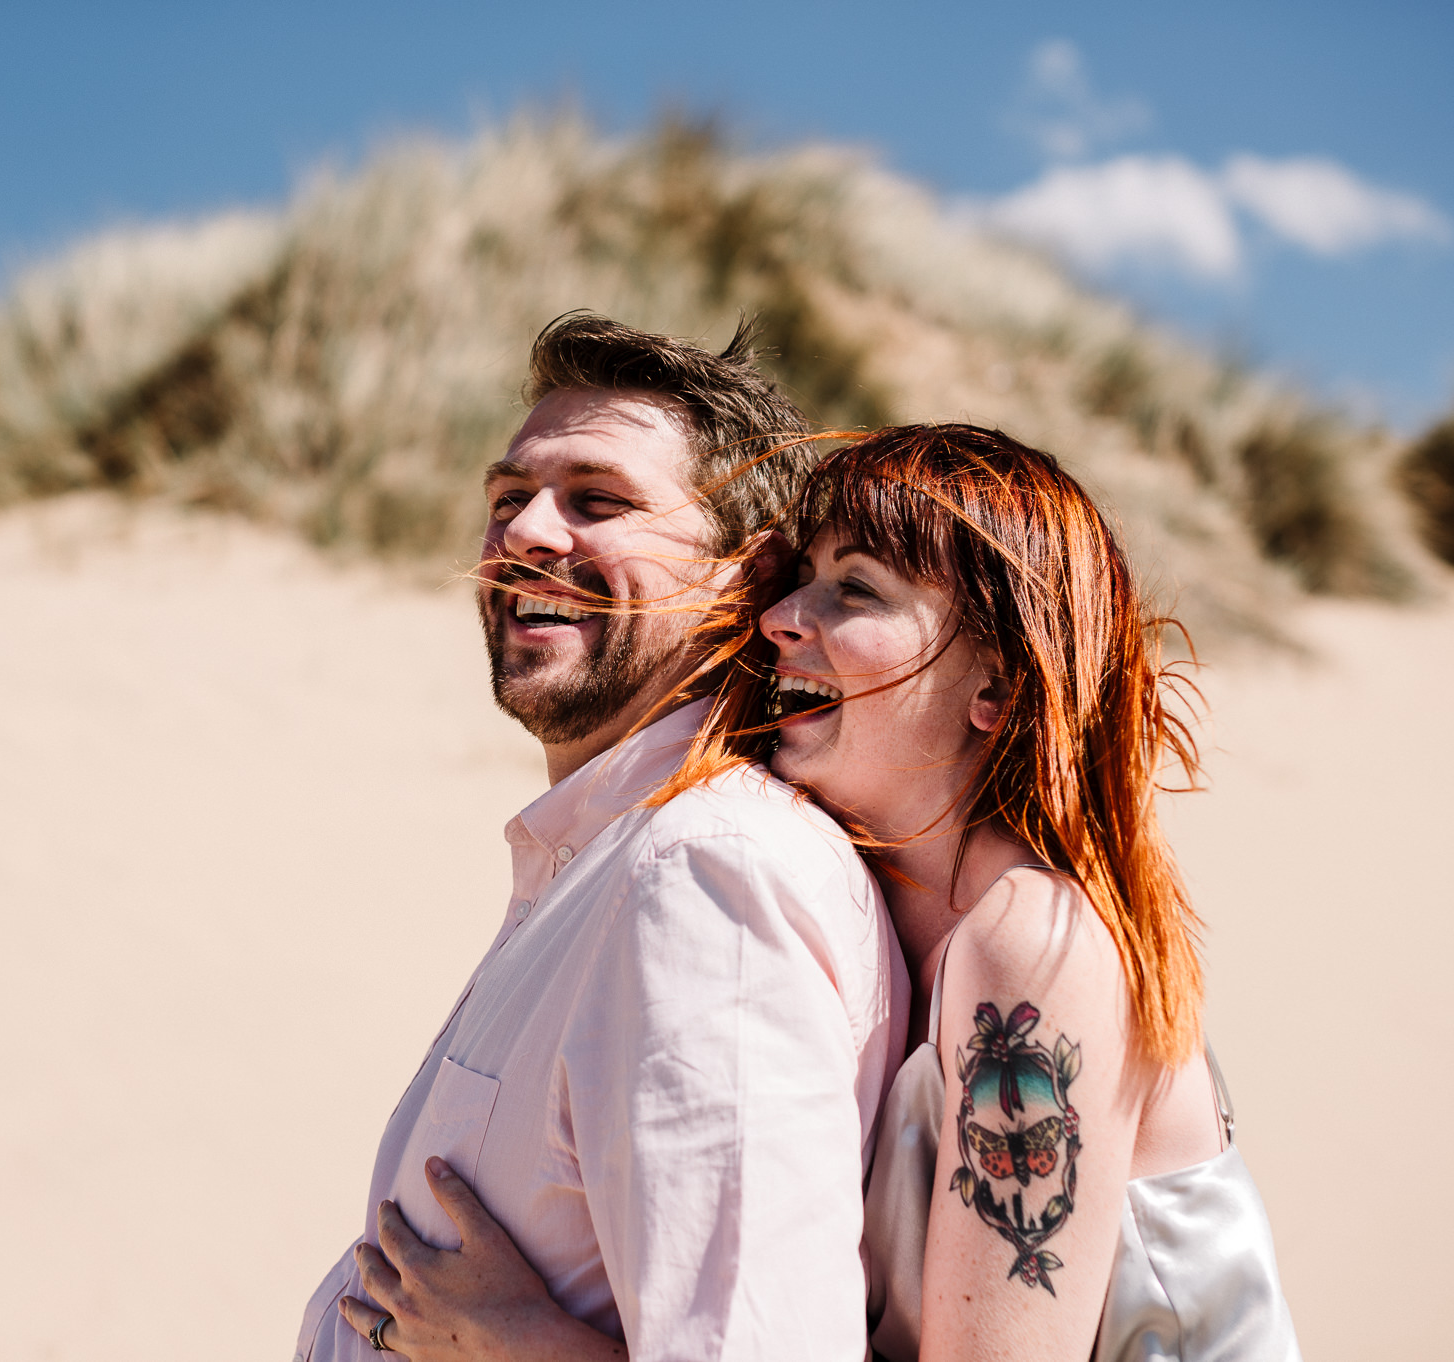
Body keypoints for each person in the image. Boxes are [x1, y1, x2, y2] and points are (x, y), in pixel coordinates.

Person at [343, 424, 1300, 1361]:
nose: (783, 619)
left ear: (997, 692)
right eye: (801, 579)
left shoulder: (1032, 941)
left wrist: (524, 1346)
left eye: (857, 590)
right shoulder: (870, 912)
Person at [292, 313, 911, 1362]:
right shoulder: (608, 864)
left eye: (599, 500)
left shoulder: (706, 877)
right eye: (507, 499)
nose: (525, 534)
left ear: (750, 583)